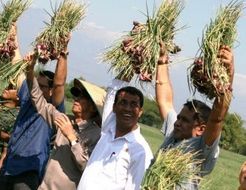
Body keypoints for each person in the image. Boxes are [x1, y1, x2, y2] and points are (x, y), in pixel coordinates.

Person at [154, 44, 234, 189]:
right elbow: (164, 101)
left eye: (184, 120)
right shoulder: (174, 134)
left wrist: (228, 76)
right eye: (179, 118)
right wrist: (162, 62)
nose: (177, 123)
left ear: (201, 129)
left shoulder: (200, 149)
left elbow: (217, 118)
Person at [0, 43, 70, 189]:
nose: (37, 88)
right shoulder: (28, 97)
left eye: (42, 86)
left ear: (51, 91)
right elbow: (19, 68)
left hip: (28, 171)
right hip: (9, 165)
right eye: (36, 84)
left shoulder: (53, 108)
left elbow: (59, 84)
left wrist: (63, 52)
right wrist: (14, 34)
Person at [77, 77, 153, 189]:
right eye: (123, 102)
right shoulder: (108, 128)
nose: (127, 108)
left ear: (140, 112)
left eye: (133, 105)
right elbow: (114, 88)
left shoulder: (141, 151)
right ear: (114, 107)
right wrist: (132, 63)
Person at [38, 78, 106, 190]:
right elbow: (40, 103)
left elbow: (88, 167)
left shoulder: (97, 135)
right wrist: (29, 73)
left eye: (82, 96)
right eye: (76, 94)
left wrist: (72, 138)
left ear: (93, 107)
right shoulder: (66, 120)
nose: (76, 98)